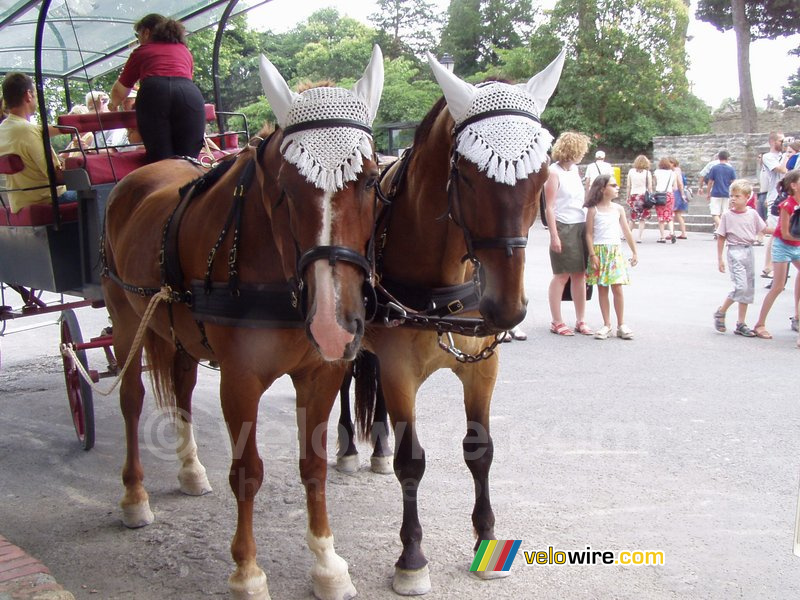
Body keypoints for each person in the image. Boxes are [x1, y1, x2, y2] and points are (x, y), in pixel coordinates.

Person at [110, 13, 206, 162]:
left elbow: (120, 90)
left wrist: (112, 104)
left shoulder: (142, 51)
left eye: (138, 36)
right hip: (189, 93)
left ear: (146, 33)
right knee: (189, 160)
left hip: (154, 93)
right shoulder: (185, 51)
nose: (138, 40)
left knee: (161, 159)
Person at [0, 72, 77, 213]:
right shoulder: (28, 131)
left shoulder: (5, 128)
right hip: (50, 200)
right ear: (28, 95)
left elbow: (44, 130)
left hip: (20, 202)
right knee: (105, 190)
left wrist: (74, 123)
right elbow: (57, 176)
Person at [545, 131, 594, 336]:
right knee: (561, 275)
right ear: (574, 150)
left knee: (580, 274)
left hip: (580, 225)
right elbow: (549, 206)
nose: (583, 154)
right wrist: (554, 235)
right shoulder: (553, 172)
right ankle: (557, 320)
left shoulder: (574, 171)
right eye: (581, 150)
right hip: (563, 225)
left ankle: (581, 320)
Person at [585, 174, 638, 340]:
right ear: (602, 189)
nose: (617, 188)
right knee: (602, 288)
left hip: (615, 251)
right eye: (613, 185)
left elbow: (626, 231)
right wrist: (592, 254)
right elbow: (589, 234)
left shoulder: (618, 209)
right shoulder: (593, 210)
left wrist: (634, 251)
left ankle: (621, 324)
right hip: (599, 251)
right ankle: (607, 324)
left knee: (617, 288)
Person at [713, 179, 769, 337]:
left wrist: (782, 230)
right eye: (731, 196)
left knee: (748, 289)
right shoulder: (727, 215)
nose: (733, 199)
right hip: (735, 250)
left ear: (746, 197)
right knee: (740, 286)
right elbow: (721, 237)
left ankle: (741, 323)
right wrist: (720, 259)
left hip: (748, 250)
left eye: (737, 196)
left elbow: (764, 228)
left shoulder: (752, 213)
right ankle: (721, 311)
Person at [752, 169, 800, 341]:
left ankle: (797, 315)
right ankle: (760, 324)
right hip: (783, 245)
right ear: (794, 185)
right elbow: (785, 233)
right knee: (778, 286)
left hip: (797, 244)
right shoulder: (787, 204)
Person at [759, 132, 790, 279]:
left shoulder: (785, 155)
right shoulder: (768, 157)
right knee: (776, 233)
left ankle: (776, 266)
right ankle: (769, 266)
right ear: (772, 142)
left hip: (787, 197)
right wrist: (787, 154)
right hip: (775, 197)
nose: (782, 143)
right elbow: (782, 170)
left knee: (783, 232)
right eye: (780, 140)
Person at [706, 150, 736, 231]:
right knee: (725, 213)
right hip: (727, 193)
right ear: (728, 158)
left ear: (718, 158)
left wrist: (708, 193)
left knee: (715, 213)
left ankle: (721, 227)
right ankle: (719, 229)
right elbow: (733, 183)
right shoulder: (731, 169)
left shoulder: (714, 168)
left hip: (716, 193)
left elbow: (710, 182)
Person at [625, 154, 652, 243]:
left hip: (634, 195)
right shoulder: (647, 173)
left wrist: (628, 196)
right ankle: (639, 237)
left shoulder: (631, 171)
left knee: (632, 217)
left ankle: (627, 235)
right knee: (642, 218)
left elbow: (628, 185)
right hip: (643, 196)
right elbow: (650, 187)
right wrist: (651, 196)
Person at [653, 157, 676, 243]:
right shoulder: (672, 173)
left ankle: (662, 237)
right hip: (669, 195)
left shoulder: (656, 172)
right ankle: (672, 232)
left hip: (659, 195)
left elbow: (655, 183)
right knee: (669, 215)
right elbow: (674, 186)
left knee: (661, 217)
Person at [669, 157, 688, 239]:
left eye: (670, 162)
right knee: (677, 214)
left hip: (676, 193)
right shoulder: (679, 170)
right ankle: (683, 233)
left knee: (673, 214)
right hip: (679, 193)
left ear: (673, 163)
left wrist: (682, 194)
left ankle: (672, 232)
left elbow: (680, 184)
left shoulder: (676, 171)